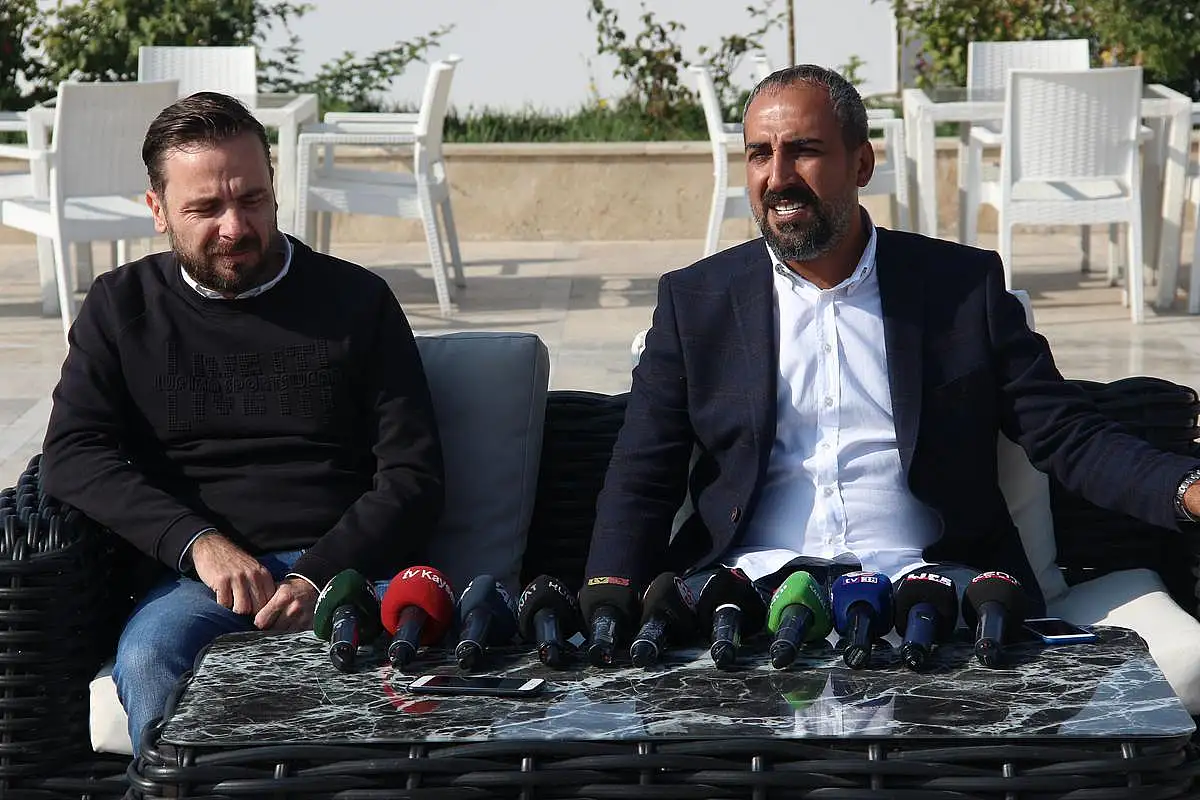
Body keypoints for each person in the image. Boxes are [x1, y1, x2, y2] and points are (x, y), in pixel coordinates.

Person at [584, 65, 1200, 613]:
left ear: (862, 164)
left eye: (803, 151)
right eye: (759, 155)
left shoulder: (961, 289)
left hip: (933, 590)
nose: (778, 177)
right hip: (746, 595)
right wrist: (605, 601)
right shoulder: (696, 302)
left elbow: (1066, 433)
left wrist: (1186, 489)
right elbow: (643, 473)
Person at [40, 92, 445, 752]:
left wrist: (318, 574)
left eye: (252, 199)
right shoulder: (121, 307)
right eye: (205, 209)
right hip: (195, 582)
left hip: (348, 573)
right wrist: (198, 543)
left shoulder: (357, 302)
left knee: (405, 675)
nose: (235, 226)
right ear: (157, 210)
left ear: (273, 189)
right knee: (151, 658)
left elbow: (413, 475)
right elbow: (73, 455)